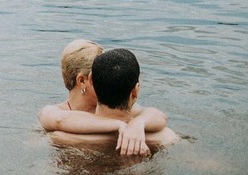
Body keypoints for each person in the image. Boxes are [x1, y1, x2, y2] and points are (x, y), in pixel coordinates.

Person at [38, 40, 172, 156]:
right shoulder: (55, 113)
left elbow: (158, 115)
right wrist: (120, 126)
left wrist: (138, 123)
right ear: (83, 80)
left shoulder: (110, 104)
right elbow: (60, 120)